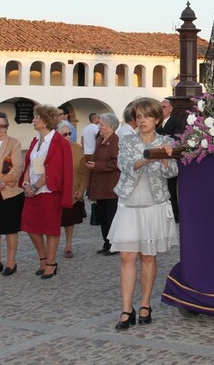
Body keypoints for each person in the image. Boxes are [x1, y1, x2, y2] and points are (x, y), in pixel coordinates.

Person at [108, 97, 179, 330]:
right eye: (138, 116)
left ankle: (146, 304)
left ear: (157, 119)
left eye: (147, 116)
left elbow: (172, 173)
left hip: (154, 204)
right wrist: (145, 158)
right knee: (127, 256)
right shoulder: (126, 141)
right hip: (129, 203)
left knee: (148, 256)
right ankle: (126, 309)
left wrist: (166, 158)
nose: (142, 121)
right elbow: (124, 165)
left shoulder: (166, 141)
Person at [20, 104, 73, 279]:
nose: (33, 120)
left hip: (50, 192)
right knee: (29, 226)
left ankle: (51, 262)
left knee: (50, 228)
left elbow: (54, 170)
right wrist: (27, 183)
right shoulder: (36, 141)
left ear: (45, 120)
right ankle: (43, 257)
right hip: (33, 191)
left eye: (36, 117)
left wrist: (35, 187)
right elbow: (28, 163)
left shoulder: (58, 142)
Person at [86, 113, 121, 255]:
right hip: (99, 185)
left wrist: (97, 165)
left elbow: (116, 163)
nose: (99, 127)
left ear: (111, 127)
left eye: (102, 125)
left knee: (111, 216)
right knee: (103, 216)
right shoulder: (100, 139)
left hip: (110, 185)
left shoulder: (116, 141)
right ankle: (106, 242)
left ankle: (114, 244)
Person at [0, 111, 24, 276]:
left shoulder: (14, 143)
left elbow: (17, 167)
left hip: (10, 193)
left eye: (2, 125)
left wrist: (0, 184)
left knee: (10, 229)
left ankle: (11, 263)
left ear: (7, 127)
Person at [58, 121, 89, 258]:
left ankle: (68, 245)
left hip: (73, 191)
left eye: (70, 133)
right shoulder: (53, 149)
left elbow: (84, 171)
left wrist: (82, 189)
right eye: (65, 134)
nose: (68, 136)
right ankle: (51, 246)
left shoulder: (77, 148)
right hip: (57, 191)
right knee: (54, 220)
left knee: (69, 220)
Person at [156, 98, 184, 223]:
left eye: (164, 107)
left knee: (171, 189)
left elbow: (176, 139)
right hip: (157, 160)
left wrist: (164, 138)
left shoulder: (176, 123)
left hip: (170, 159)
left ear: (171, 109)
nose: (161, 109)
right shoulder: (157, 124)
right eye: (160, 107)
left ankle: (175, 214)